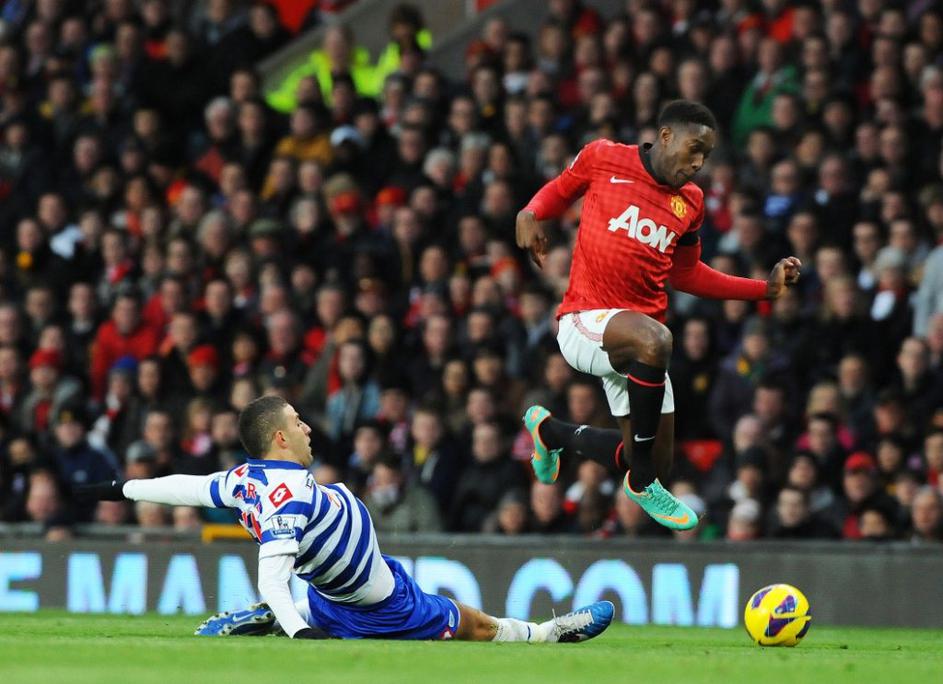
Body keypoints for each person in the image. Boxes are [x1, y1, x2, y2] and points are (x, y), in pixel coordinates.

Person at [77, 396, 612, 642]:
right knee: (473, 624)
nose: (307, 428)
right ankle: (549, 634)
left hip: (339, 590)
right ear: (280, 437)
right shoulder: (286, 500)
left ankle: (276, 619)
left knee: (321, 591)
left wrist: (120, 488)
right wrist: (299, 633)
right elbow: (272, 573)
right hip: (383, 609)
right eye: (297, 422)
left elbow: (188, 488)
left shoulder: (244, 479)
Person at [515, 100, 801, 531]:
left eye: (707, 155)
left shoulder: (692, 202)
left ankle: (551, 433)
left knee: (649, 457)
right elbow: (560, 189)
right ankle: (642, 483)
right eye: (694, 149)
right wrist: (530, 212)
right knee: (657, 346)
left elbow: (687, 273)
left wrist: (764, 289)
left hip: (637, 344)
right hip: (585, 320)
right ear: (666, 136)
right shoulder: (604, 156)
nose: (699, 163)